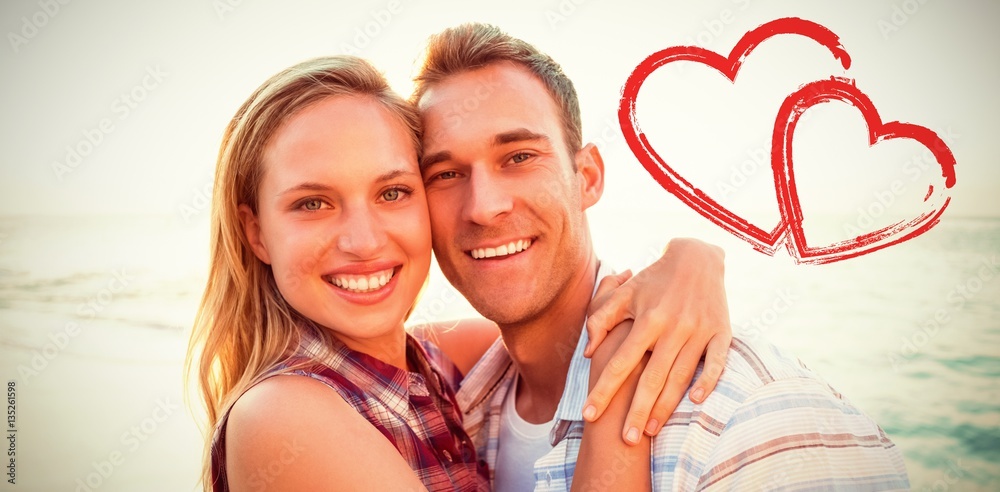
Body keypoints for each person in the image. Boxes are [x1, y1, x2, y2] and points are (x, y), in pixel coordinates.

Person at [185, 55, 732, 491]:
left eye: (392, 192)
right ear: (255, 232)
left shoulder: (442, 362)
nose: (364, 240)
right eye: (312, 204)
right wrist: (613, 413)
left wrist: (693, 260)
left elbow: (543, 325)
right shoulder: (284, 417)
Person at [411, 23, 911, 490]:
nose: (483, 206)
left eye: (519, 157)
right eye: (446, 174)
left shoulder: (745, 417)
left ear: (587, 178)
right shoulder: (452, 405)